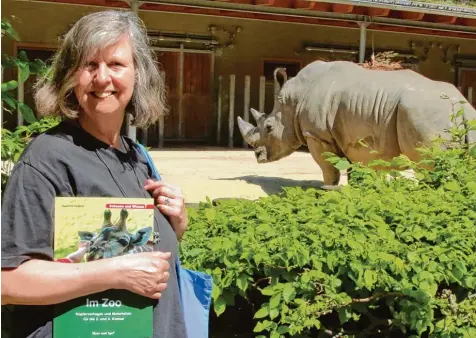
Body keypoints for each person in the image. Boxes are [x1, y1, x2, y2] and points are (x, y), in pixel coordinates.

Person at [1, 10, 188, 338]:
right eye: (89, 65)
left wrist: (175, 226)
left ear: (137, 74)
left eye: (116, 64)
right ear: (70, 77)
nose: (102, 78)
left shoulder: (136, 157)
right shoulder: (49, 158)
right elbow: (8, 282)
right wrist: (115, 273)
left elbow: (140, 257)